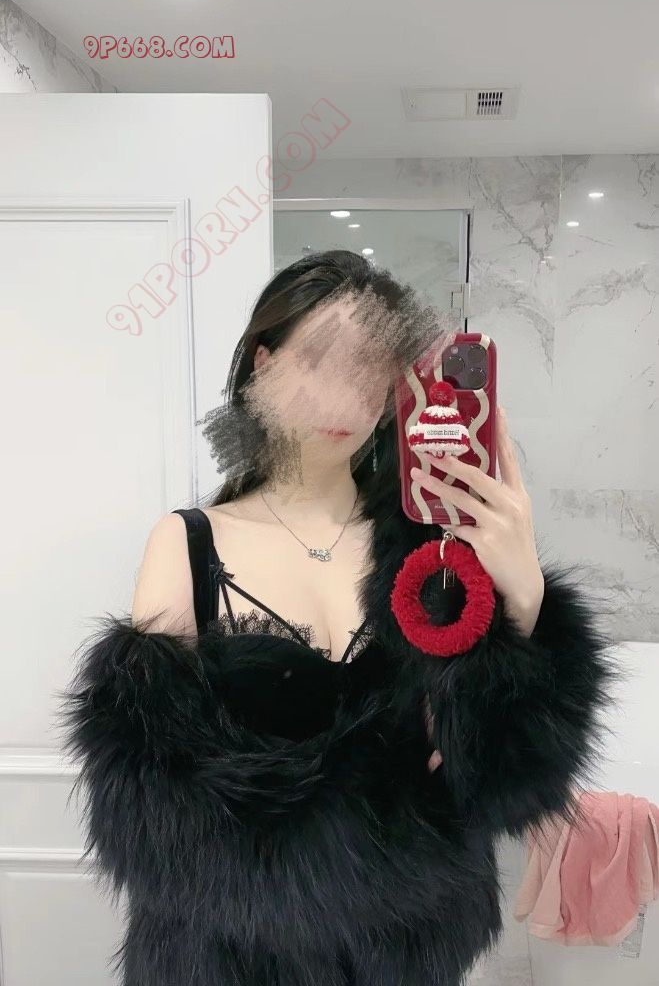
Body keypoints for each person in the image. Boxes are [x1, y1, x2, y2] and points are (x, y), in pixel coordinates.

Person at [58, 250, 620, 986]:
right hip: (227, 964)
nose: (343, 398)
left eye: (369, 370)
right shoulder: (188, 543)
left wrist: (523, 591)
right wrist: (388, 841)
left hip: (404, 960)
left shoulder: (434, 547)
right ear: (262, 365)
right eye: (320, 361)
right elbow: (152, 813)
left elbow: (512, 780)